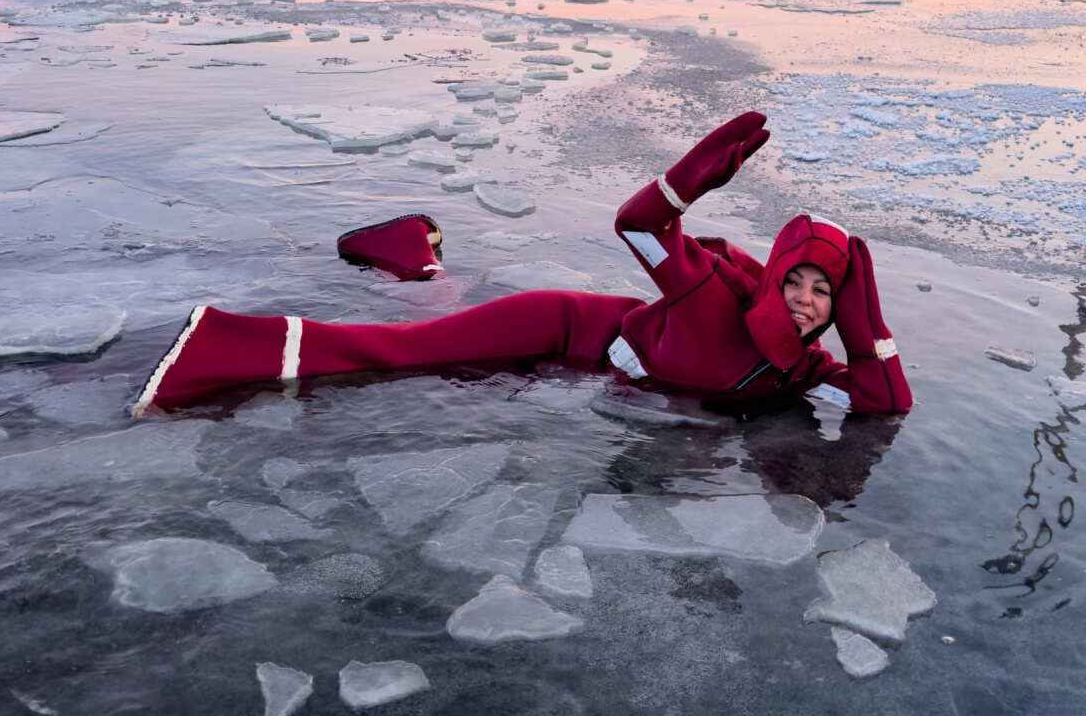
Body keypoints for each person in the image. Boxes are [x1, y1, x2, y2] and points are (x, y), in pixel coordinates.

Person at [132, 111, 912, 418]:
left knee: (437, 330)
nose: (807, 301)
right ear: (771, 277)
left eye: (824, 291)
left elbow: (887, 406)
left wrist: (862, 317)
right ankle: (217, 346)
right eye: (796, 280)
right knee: (405, 351)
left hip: (600, 372)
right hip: (564, 328)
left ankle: (418, 257)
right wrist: (685, 179)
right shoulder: (713, 291)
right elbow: (638, 225)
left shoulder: (803, 368)